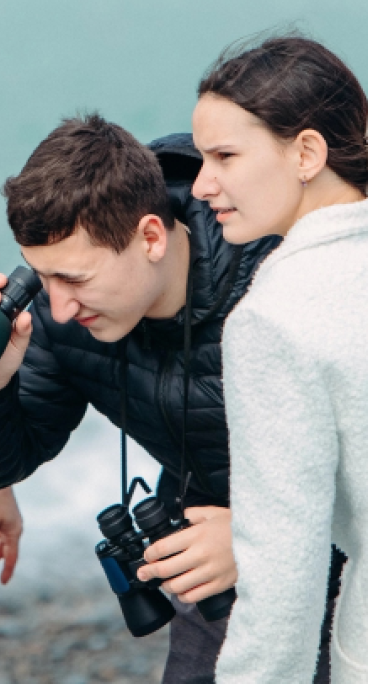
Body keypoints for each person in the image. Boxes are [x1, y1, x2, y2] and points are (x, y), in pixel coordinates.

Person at [0, 113, 343, 683]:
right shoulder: (63, 324)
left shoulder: (282, 274)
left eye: (75, 280)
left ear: (150, 236)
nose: (57, 307)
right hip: (211, 563)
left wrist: (259, 535)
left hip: (347, 567)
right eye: (42, 277)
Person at [191, 35, 368, 683]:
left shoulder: (276, 318)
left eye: (225, 156)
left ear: (307, 153)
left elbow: (283, 577)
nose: (203, 183)